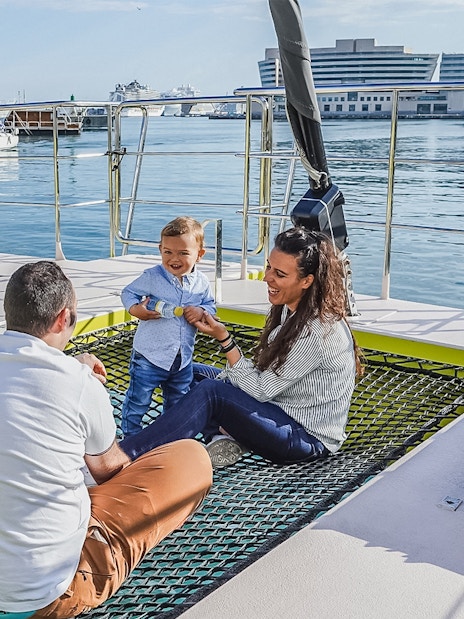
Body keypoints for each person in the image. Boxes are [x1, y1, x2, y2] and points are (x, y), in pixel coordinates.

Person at [0, 261, 212, 618]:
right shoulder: (77, 384)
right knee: (192, 459)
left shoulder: (68, 374)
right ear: (61, 319)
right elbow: (108, 472)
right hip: (44, 594)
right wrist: (80, 379)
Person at [120, 227, 363, 468]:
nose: (267, 278)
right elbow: (263, 378)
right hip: (277, 408)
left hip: (303, 438)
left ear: (307, 281)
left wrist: (224, 338)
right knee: (184, 373)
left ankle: (126, 455)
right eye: (268, 267)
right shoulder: (293, 308)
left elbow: (260, 390)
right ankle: (223, 436)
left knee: (212, 393)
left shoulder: (315, 331)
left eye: (279, 273)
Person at [120, 216, 216, 437]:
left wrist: (202, 311)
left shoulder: (201, 282)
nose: (174, 258)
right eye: (168, 252)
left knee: (178, 404)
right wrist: (136, 310)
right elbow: (128, 293)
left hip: (182, 359)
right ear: (160, 249)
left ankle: (172, 440)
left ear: (199, 255)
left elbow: (211, 306)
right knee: (138, 402)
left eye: (183, 253)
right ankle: (129, 439)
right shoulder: (152, 277)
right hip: (149, 357)